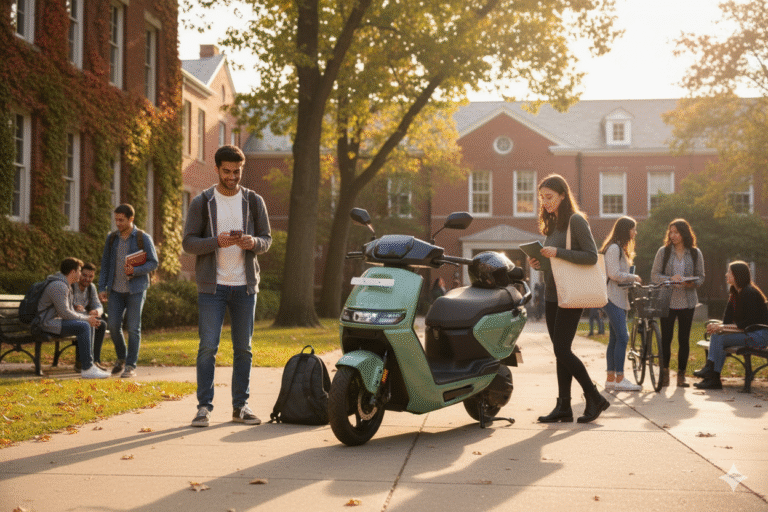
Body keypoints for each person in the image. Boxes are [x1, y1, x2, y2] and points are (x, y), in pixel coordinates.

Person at [183, 145, 272, 428]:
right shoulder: (203, 201)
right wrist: (216, 242)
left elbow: (266, 239)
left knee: (243, 349)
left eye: (237, 171)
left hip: (245, 286)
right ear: (217, 169)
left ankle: (240, 406)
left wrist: (252, 243)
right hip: (213, 287)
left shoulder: (254, 201)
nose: (232, 176)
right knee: (208, 347)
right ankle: (203, 408)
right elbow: (188, 243)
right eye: (227, 171)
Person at [528, 174, 610, 424]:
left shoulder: (576, 220)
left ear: (563, 195)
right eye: (542, 198)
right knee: (559, 351)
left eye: (550, 197)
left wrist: (558, 252)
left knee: (562, 348)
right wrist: (539, 263)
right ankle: (563, 406)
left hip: (572, 295)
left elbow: (591, 257)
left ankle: (594, 396)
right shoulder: (552, 224)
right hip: (554, 293)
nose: (545, 202)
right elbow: (555, 263)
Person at [98, 204, 158, 379]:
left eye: (121, 220)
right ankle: (122, 357)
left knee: (133, 328)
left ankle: (130, 365)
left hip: (136, 290)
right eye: (116, 219)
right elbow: (105, 265)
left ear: (131, 219)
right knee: (113, 326)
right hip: (115, 290)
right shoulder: (112, 239)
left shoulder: (142, 238)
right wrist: (102, 288)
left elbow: (153, 262)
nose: (117, 223)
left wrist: (135, 271)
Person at [694, 261, 768, 390]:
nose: (726, 274)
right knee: (717, 336)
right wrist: (717, 326)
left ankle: (712, 374)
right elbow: (727, 320)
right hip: (748, 333)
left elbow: (750, 323)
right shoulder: (735, 294)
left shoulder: (750, 293)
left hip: (759, 336)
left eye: (729, 272)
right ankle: (712, 374)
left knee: (719, 338)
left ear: (737, 275)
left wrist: (722, 328)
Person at [651, 218, 704, 388]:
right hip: (667, 300)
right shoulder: (663, 252)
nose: (672, 235)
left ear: (684, 233)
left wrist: (691, 283)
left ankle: (681, 375)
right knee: (666, 339)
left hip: (687, 302)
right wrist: (669, 279)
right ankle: (665, 374)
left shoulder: (695, 253)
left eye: (676, 232)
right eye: (670, 232)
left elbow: (701, 277)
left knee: (684, 339)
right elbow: (654, 275)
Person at [38, 258, 110, 379]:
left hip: (55, 321)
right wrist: (86, 319)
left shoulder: (65, 285)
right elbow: (65, 313)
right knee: (84, 325)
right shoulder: (59, 286)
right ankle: (87, 368)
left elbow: (68, 312)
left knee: (88, 323)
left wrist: (87, 318)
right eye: (80, 271)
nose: (80, 274)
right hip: (46, 323)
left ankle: (88, 365)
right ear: (73, 272)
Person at [600, 216, 642, 391]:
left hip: (617, 297)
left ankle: (611, 378)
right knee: (623, 337)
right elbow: (614, 274)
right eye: (633, 229)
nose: (635, 232)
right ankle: (620, 379)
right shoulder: (614, 248)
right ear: (626, 230)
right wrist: (634, 277)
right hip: (612, 297)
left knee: (615, 338)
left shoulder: (619, 248)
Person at [71, 262, 107, 371]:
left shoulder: (91, 287)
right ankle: (80, 362)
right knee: (85, 325)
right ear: (79, 274)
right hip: (71, 319)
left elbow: (99, 306)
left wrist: (96, 311)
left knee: (101, 324)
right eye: (84, 275)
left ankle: (95, 361)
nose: (87, 279)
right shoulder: (71, 286)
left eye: (90, 276)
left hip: (85, 318)